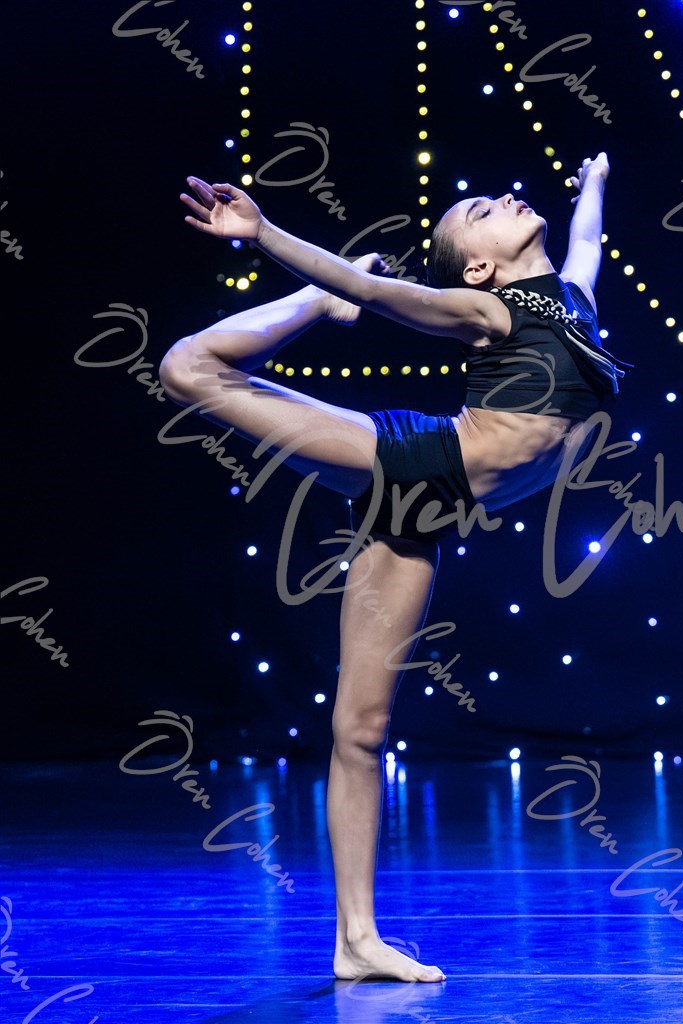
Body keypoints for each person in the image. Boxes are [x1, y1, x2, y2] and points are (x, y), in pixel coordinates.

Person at [161, 152, 628, 983]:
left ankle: (356, 942)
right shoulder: (486, 309)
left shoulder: (575, 300)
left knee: (362, 729)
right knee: (186, 370)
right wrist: (264, 234)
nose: (505, 195)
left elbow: (587, 243)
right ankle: (308, 309)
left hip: (429, 513)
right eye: (482, 209)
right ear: (477, 267)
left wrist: (592, 184)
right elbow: (370, 288)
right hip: (411, 460)